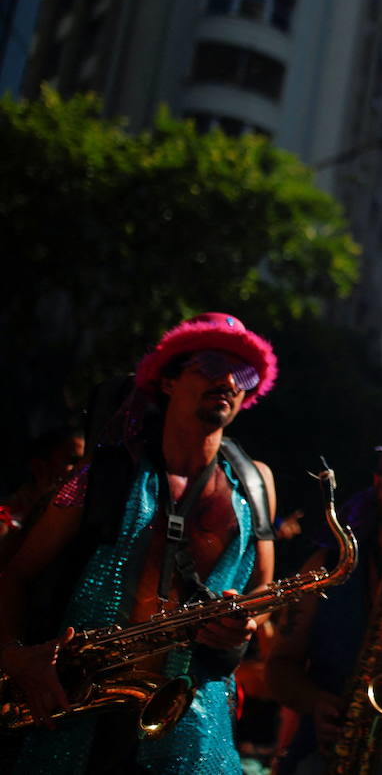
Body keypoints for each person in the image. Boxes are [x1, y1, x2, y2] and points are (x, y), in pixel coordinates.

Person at [0, 312, 279, 774]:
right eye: (212, 365)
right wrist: (15, 656)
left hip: (195, 734)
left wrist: (243, 622)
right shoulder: (103, 474)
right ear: (168, 381)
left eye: (243, 373)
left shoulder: (257, 483)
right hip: (76, 720)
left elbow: (263, 589)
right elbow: (15, 574)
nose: (229, 381)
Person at [268, 414, 382, 774]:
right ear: (377, 484)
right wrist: (316, 703)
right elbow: (278, 667)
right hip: (328, 750)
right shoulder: (329, 564)